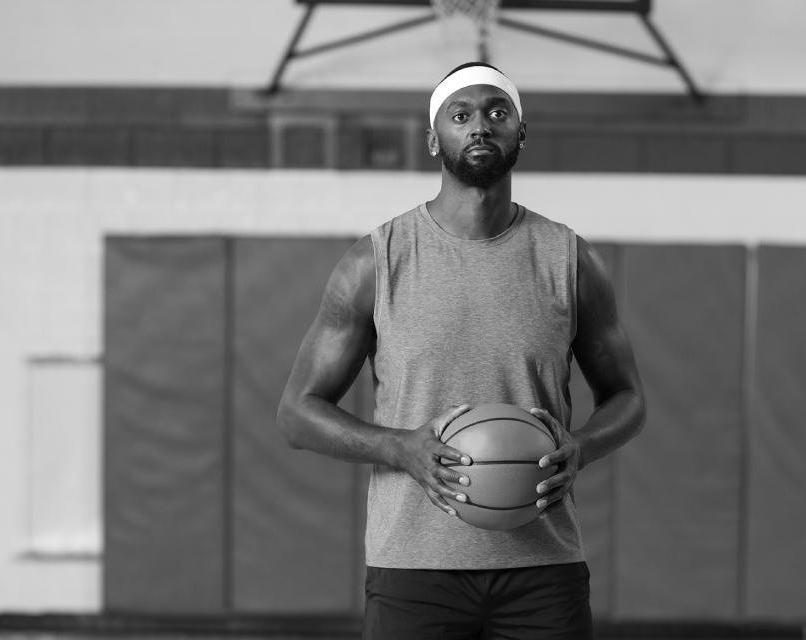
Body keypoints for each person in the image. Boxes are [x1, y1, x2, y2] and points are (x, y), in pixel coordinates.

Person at [276, 61, 646, 640]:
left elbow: (628, 397)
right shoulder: (377, 261)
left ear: (521, 133)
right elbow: (297, 414)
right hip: (413, 569)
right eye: (461, 114)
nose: (480, 126)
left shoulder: (569, 260)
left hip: (542, 569)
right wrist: (400, 449)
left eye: (497, 113)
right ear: (434, 138)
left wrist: (584, 446)